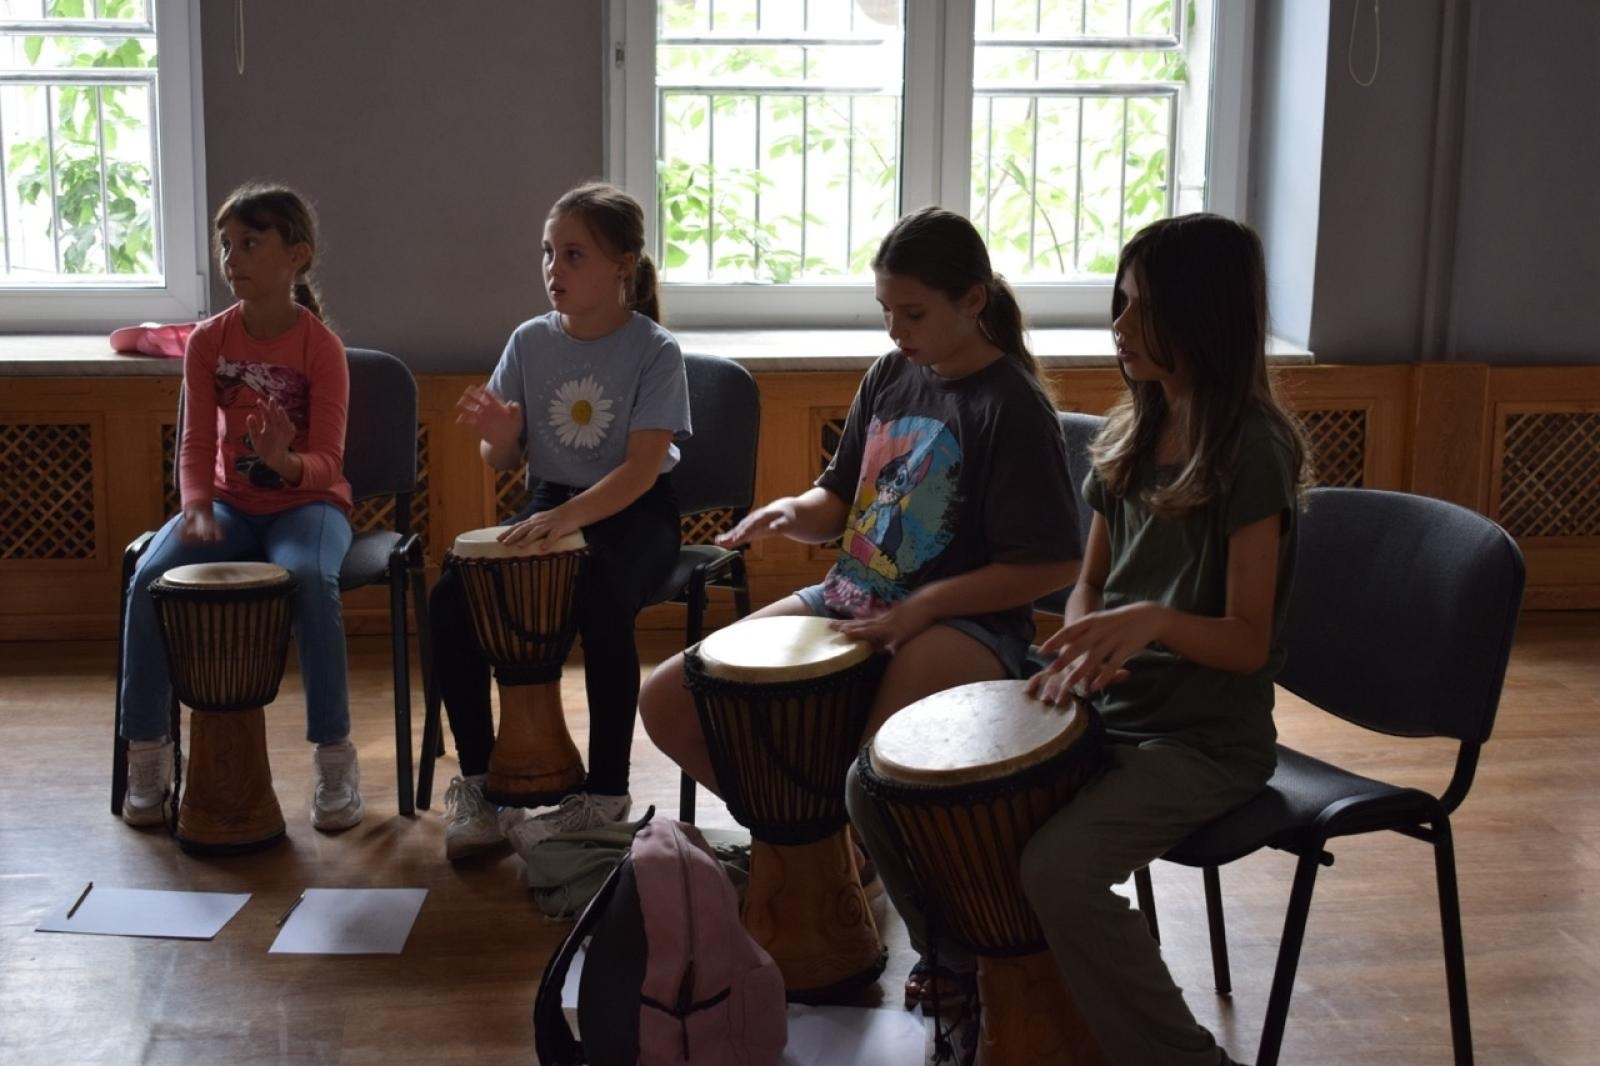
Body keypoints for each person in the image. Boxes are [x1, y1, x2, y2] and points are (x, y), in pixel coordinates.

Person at [861, 212, 1307, 1066]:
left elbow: (1249, 643)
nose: (1120, 327)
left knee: (1057, 871)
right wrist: (1076, 648)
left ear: (1204, 318)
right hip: (1103, 712)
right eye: (1120, 304)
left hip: (1204, 741)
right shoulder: (1129, 435)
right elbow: (1089, 589)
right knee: (877, 784)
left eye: (1142, 310)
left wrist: (1157, 624)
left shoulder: (1254, 451)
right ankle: (963, 967)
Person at [638, 205, 1081, 1002]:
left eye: (911, 313)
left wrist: (926, 606)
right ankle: (821, 859)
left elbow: (1046, 563)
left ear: (973, 301)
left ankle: (942, 935)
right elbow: (839, 499)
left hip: (966, 623)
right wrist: (791, 512)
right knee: (670, 697)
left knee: (876, 768)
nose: (894, 331)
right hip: (853, 594)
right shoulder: (891, 374)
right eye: (886, 312)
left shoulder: (1011, 405)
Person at [435, 182, 689, 863]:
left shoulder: (654, 349)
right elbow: (502, 457)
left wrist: (563, 520)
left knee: (601, 591)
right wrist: (499, 435)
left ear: (622, 266)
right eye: (548, 253)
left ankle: (606, 795)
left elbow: (640, 470)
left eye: (573, 255)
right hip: (554, 499)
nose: (555, 269)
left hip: (636, 512)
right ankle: (480, 785)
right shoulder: (529, 340)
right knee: (452, 594)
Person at [119, 183, 362, 832]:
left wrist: (285, 463)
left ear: (297, 256)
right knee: (150, 579)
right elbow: (197, 440)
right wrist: (196, 504)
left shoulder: (321, 348)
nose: (233, 258)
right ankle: (148, 751)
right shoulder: (208, 342)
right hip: (228, 505)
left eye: (250, 244)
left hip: (308, 506)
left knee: (312, 579)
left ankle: (334, 757)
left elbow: (329, 463)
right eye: (227, 245)